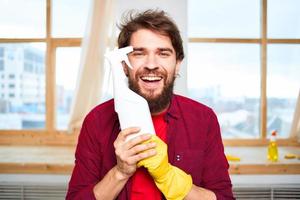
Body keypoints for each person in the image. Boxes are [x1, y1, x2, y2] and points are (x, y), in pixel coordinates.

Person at [66, 9, 234, 200]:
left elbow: (223, 197)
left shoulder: (203, 119)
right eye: (139, 53)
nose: (151, 64)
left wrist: (167, 175)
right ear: (123, 65)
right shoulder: (97, 120)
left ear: (177, 63)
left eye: (163, 53)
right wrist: (120, 172)